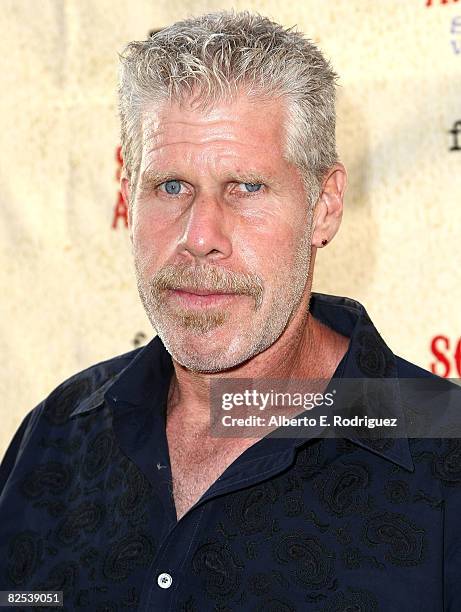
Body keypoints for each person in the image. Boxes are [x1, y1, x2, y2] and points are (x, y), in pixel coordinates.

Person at [0, 10, 460, 611]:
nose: (199, 234)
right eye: (170, 187)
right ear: (128, 202)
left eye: (245, 187)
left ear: (324, 207)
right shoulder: (57, 433)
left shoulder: (444, 450)